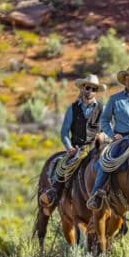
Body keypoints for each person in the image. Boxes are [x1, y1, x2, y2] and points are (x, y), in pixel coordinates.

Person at [86, 64, 129, 211]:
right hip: (121, 139)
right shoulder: (114, 99)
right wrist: (112, 134)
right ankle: (96, 195)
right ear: (125, 81)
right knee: (107, 163)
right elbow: (104, 120)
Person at [39, 74, 106, 208]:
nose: (90, 92)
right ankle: (54, 194)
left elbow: (107, 129)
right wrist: (69, 148)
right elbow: (64, 133)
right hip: (78, 149)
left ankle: (117, 207)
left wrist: (103, 136)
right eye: (88, 88)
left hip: (96, 148)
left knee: (111, 168)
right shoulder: (72, 109)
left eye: (94, 89)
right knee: (65, 167)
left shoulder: (102, 109)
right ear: (82, 88)